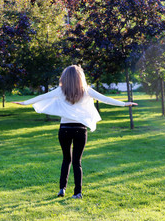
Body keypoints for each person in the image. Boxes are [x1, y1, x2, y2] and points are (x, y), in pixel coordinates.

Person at [13, 65, 137, 199]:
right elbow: (105, 99)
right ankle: (77, 193)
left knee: (66, 159)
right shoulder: (87, 91)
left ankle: (62, 189)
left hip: (64, 130)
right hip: (80, 130)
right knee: (77, 162)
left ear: (65, 77)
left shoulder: (61, 91)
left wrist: (25, 103)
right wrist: (124, 104)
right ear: (80, 77)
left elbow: (43, 96)